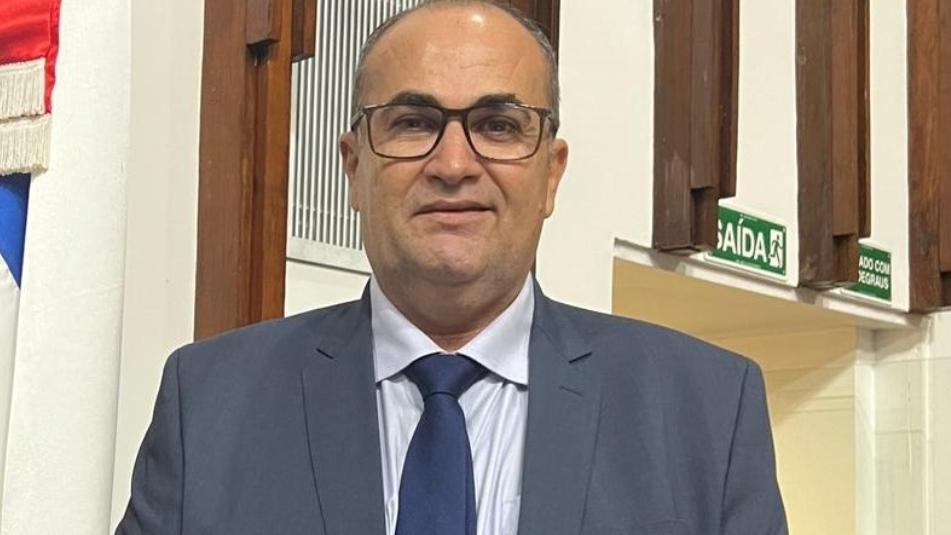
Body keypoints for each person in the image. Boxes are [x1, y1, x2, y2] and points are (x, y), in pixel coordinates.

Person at [117, 1, 788, 534]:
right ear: (353, 167)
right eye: (413, 122)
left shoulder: (703, 409)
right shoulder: (208, 404)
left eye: (499, 125)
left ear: (551, 174)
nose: (454, 164)